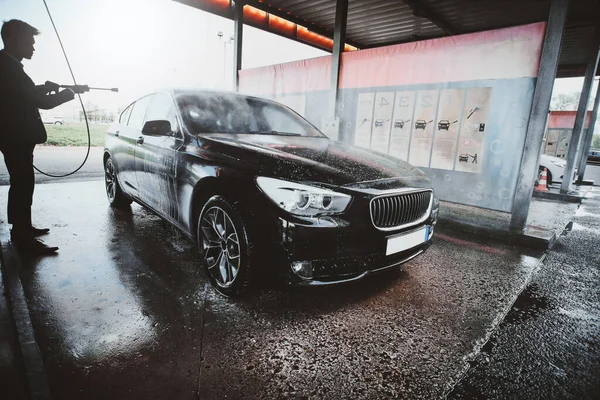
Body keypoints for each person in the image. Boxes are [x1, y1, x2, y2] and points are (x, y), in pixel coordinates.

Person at [0, 19, 87, 255]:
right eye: (29, 42)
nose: (33, 48)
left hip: (13, 137)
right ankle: (22, 237)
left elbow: (23, 94)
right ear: (14, 40)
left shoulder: (9, 66)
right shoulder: (8, 67)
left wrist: (44, 87)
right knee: (22, 184)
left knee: (21, 184)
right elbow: (42, 103)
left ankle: (22, 228)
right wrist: (69, 93)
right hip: (16, 137)